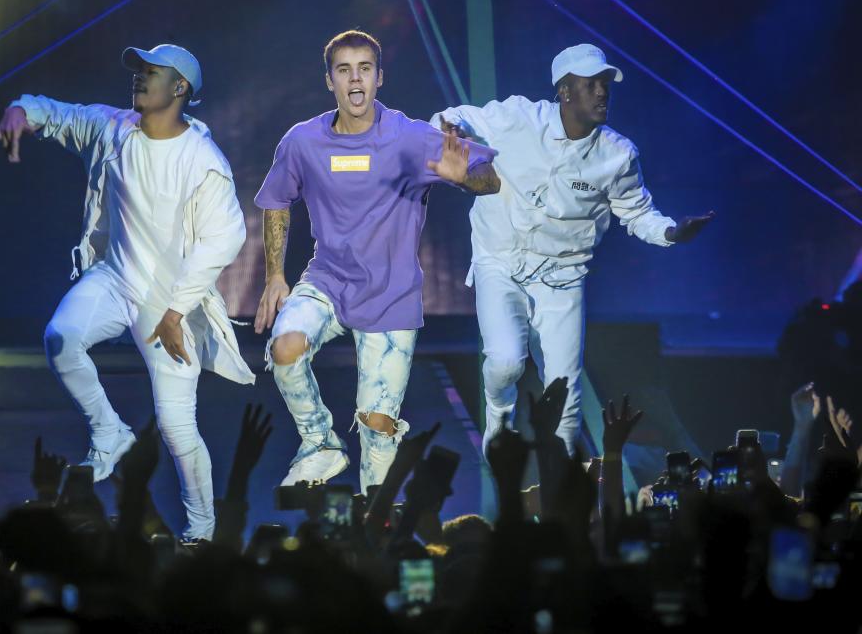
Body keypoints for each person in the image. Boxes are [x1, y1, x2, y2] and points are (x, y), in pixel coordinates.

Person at [0, 44, 254, 543]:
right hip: (114, 277)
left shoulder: (203, 160)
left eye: (150, 73)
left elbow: (227, 237)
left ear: (180, 88)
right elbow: (62, 115)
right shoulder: (114, 129)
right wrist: (21, 109)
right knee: (61, 339)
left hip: (171, 302)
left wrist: (177, 311)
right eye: (136, 71)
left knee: (177, 427)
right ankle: (109, 431)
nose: (138, 79)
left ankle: (202, 532)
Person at [431, 44, 714, 456]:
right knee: (507, 361)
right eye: (591, 84)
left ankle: (559, 477)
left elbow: (637, 214)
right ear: (564, 91)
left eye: (605, 84)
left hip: (563, 277)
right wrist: (449, 130)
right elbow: (455, 116)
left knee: (563, 389)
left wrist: (672, 233)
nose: (602, 92)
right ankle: (498, 420)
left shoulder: (618, 156)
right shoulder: (518, 118)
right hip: (499, 261)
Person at [253, 30, 499, 493]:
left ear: (379, 77)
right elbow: (276, 201)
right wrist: (273, 276)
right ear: (330, 81)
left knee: (378, 427)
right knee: (285, 346)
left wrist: (462, 177)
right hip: (327, 282)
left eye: (364, 68)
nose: (355, 79)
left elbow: (492, 179)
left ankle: (376, 524)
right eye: (344, 70)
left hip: (391, 296)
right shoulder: (302, 141)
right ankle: (319, 443)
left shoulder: (409, 138)